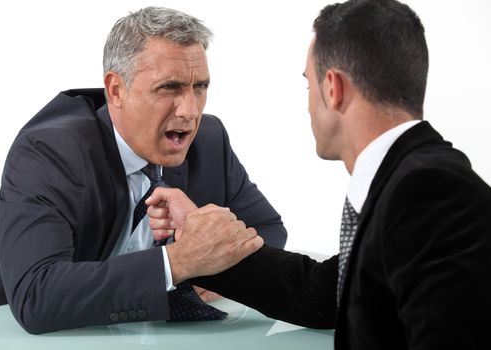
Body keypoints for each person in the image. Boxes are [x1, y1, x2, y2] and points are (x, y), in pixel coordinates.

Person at [146, 0, 491, 348]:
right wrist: (205, 244)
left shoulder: (431, 192)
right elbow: (319, 294)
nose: (309, 104)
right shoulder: (404, 181)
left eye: (309, 85)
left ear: (333, 88)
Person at [0, 7, 284, 334]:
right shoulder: (48, 153)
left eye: (199, 87)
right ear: (116, 90)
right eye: (170, 88)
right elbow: (37, 295)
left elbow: (268, 227)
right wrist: (180, 261)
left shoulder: (209, 140)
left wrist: (219, 269)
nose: (190, 111)